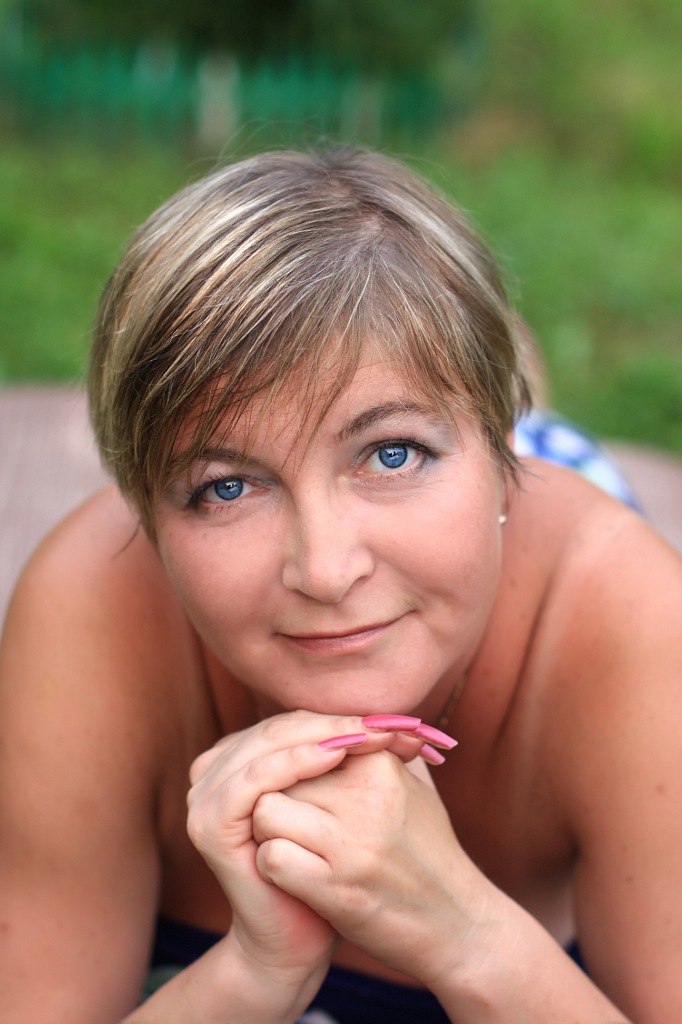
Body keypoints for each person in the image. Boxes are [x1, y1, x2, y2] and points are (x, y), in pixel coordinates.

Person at [0, 148, 679, 1024]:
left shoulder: (632, 624)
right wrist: (253, 974)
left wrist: (468, 936)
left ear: (496, 455)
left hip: (545, 518)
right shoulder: (89, 602)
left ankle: (520, 405)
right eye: (226, 487)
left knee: (548, 456)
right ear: (145, 510)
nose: (323, 571)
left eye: (392, 454)